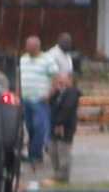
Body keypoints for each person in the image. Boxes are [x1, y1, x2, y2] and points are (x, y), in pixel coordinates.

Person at [15, 32, 56, 165]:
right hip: (25, 99)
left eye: (30, 46)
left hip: (40, 100)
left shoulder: (47, 60)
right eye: (27, 46)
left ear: (37, 47)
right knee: (30, 127)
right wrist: (17, 93)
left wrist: (49, 94)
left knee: (39, 127)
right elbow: (18, 77)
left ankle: (36, 154)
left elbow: (56, 79)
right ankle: (33, 153)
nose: (27, 48)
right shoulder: (23, 59)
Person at [46, 47, 82, 183]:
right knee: (52, 149)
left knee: (63, 151)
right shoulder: (61, 92)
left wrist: (60, 123)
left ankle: (63, 176)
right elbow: (50, 103)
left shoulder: (72, 93)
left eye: (65, 77)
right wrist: (54, 90)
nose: (61, 78)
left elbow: (67, 109)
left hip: (64, 126)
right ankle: (56, 173)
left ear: (71, 79)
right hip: (54, 124)